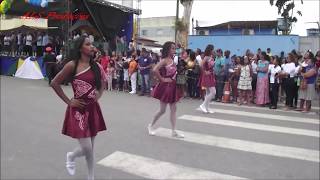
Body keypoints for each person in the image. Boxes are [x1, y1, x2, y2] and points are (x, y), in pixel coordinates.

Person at [50, 36, 107, 180]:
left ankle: (91, 176)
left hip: (93, 109)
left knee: (91, 148)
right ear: (80, 48)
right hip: (77, 110)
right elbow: (55, 83)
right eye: (88, 44)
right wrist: (69, 101)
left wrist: (98, 96)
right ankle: (71, 156)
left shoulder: (97, 66)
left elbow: (103, 85)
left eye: (92, 44)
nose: (91, 47)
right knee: (87, 148)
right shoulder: (72, 65)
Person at [148, 41, 184, 138]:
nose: (174, 50)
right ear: (168, 49)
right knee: (162, 110)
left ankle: (174, 131)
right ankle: (150, 126)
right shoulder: (164, 60)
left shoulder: (173, 60)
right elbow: (155, 69)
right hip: (166, 87)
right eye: (172, 48)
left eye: (174, 48)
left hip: (173, 86)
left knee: (174, 109)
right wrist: (162, 79)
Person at [199, 44, 216, 113]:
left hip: (211, 75)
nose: (213, 50)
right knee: (213, 92)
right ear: (210, 50)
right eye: (212, 49)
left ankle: (207, 108)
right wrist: (205, 71)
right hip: (207, 76)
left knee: (208, 92)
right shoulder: (206, 57)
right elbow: (200, 65)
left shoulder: (211, 57)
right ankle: (203, 105)